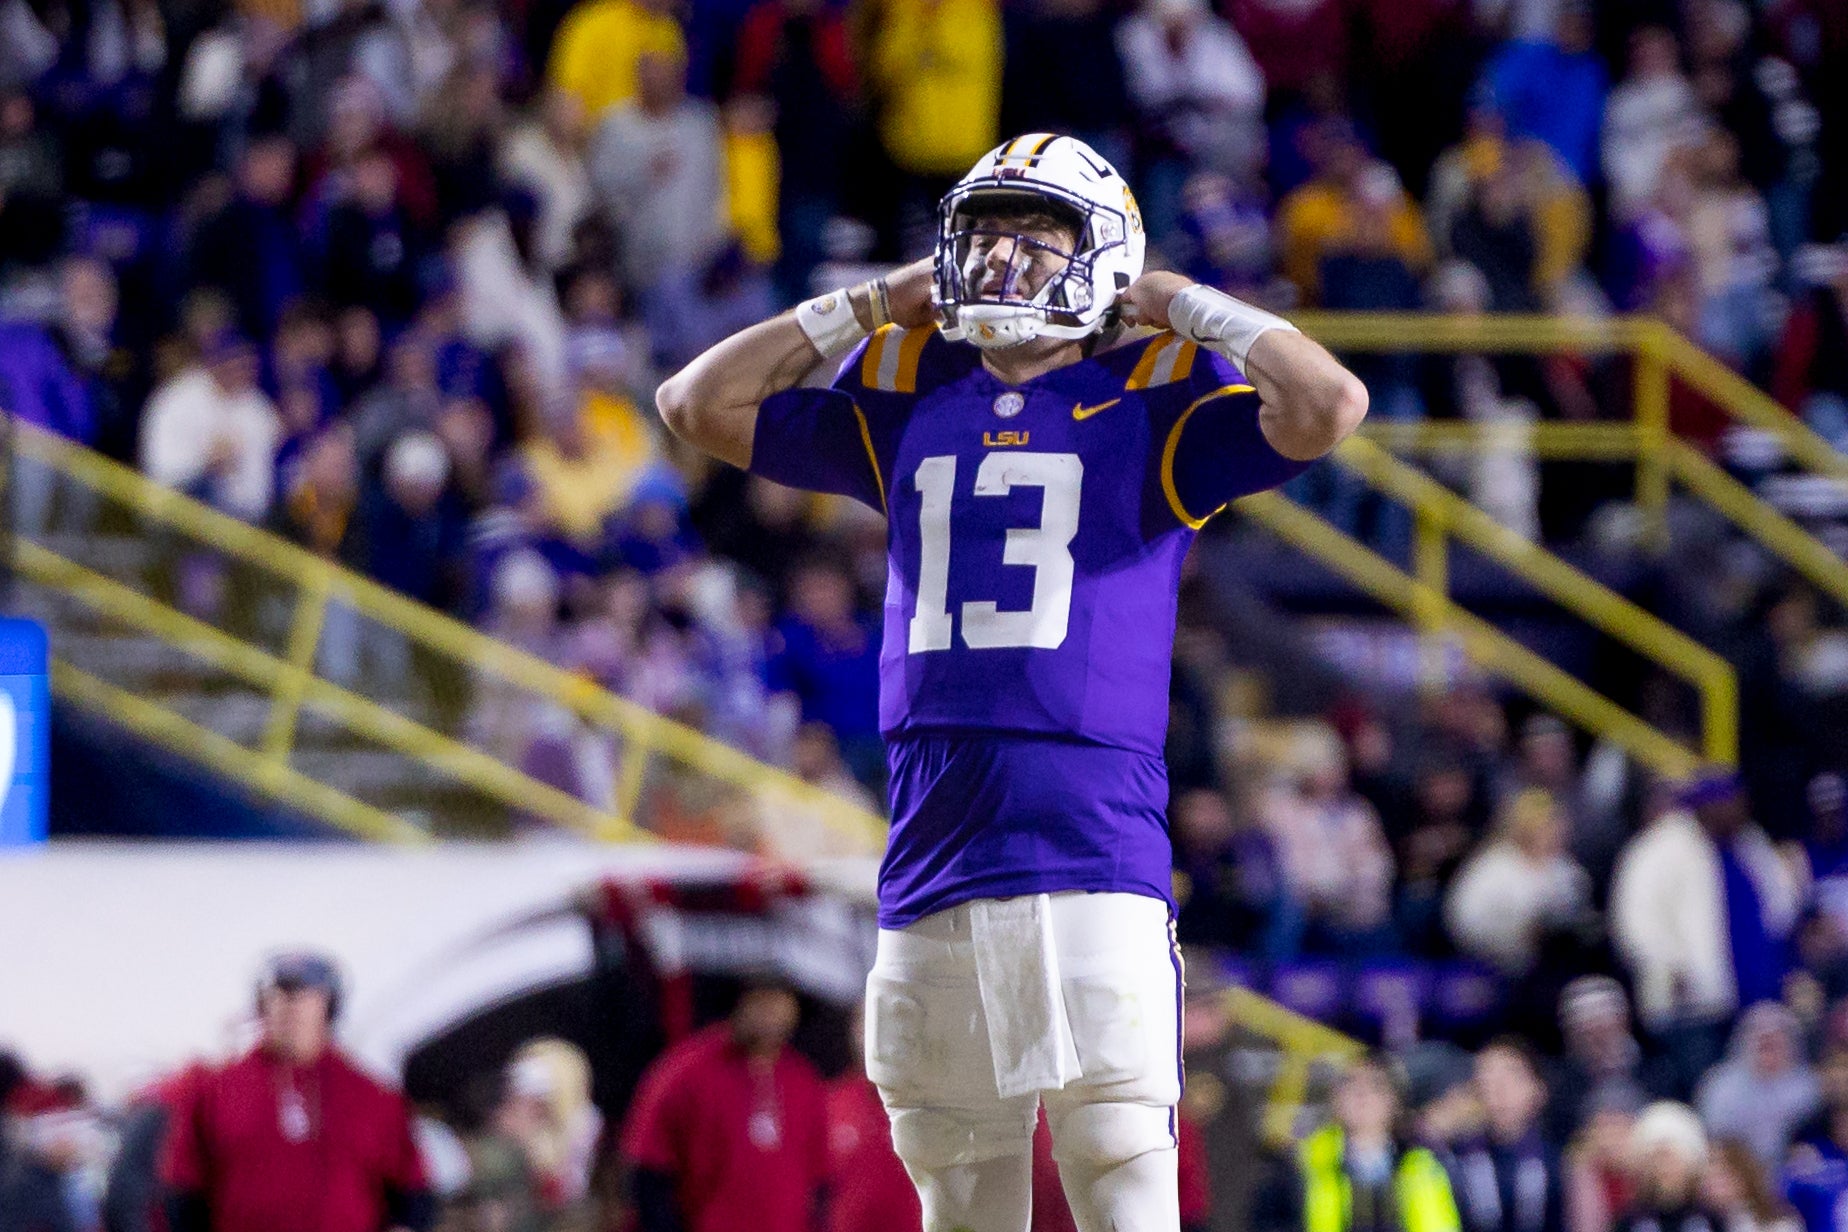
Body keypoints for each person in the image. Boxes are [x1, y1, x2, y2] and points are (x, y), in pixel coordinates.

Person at [656, 131, 1366, 1232]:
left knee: (1123, 1167)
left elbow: (1328, 404)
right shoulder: (907, 399)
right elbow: (695, 401)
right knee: (958, 1196)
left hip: (1091, 844)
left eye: (1036, 239)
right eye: (983, 235)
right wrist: (880, 300)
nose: (1000, 262)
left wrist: (1179, 302)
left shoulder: (1153, 403)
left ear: (1103, 258)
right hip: (932, 849)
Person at [161, 951, 433, 1232]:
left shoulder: (375, 1097)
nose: (291, 1007)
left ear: (329, 1005)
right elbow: (183, 1191)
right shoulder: (214, 1090)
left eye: (305, 995)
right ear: (262, 1005)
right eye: (279, 995)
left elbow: (412, 1191)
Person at [1610, 770, 1804, 1094]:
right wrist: (1672, 966)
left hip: (1757, 998)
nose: (1739, 809)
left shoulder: (1750, 843)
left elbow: (1780, 904)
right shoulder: (1660, 849)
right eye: (1730, 802)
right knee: (1705, 1091)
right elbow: (1634, 923)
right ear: (1705, 806)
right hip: (1692, 1007)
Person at [619, 981, 830, 1232]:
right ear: (739, 1002)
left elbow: (820, 1183)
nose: (770, 1012)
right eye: (759, 999)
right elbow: (648, 1173)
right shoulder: (684, 1072)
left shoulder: (804, 1080)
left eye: (779, 1000)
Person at [1291, 1056, 1462, 1232]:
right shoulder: (1302, 1164)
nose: (1362, 1095)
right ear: (1336, 1098)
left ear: (1395, 1102)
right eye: (1351, 1085)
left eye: (1375, 1087)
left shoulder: (1425, 1167)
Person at [1451, 1041, 1564, 1232]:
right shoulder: (1455, 1158)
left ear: (1538, 1090)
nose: (1499, 1090)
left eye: (1512, 1077)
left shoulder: (1559, 1161)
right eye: (1487, 1079)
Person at [1694, 1003, 1821, 1170]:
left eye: (1777, 1040)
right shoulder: (1719, 1087)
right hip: (1737, 1172)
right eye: (1762, 1042)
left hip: (1793, 1173)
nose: (1769, 1047)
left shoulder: (1809, 1087)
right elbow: (1715, 1140)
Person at [1615, 1103, 1713, 1232]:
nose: (1664, 1168)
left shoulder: (1710, 1220)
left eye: (1672, 1159)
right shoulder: (1630, 1221)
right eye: (1657, 1159)